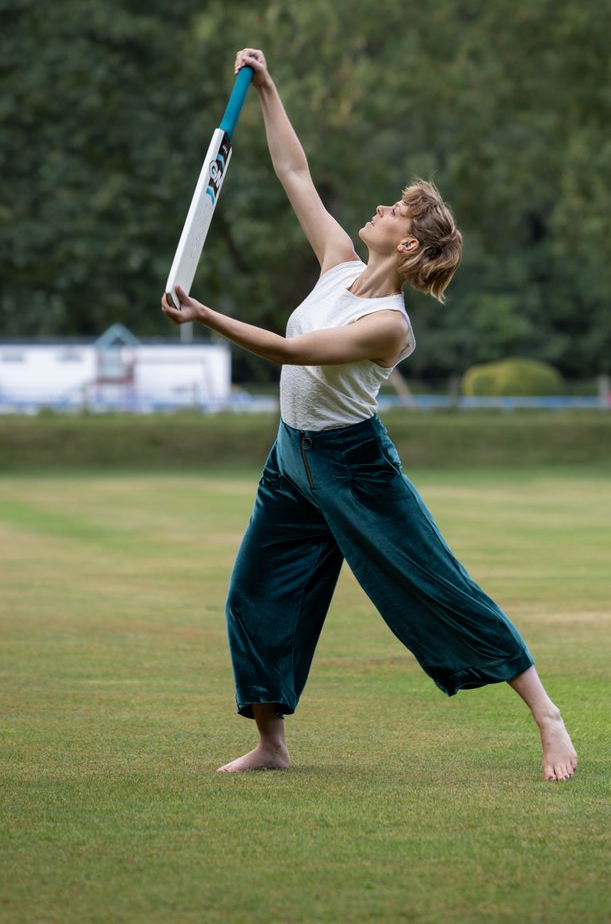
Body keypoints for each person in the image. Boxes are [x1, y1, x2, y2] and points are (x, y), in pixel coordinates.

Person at [161, 48, 578, 782]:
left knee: (436, 588)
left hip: (354, 469)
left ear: (406, 243)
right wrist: (268, 89)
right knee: (255, 595)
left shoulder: (388, 323)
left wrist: (204, 315)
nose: (380, 209)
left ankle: (547, 717)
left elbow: (293, 353)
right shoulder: (336, 260)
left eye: (394, 210)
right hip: (291, 458)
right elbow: (294, 172)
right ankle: (272, 743)